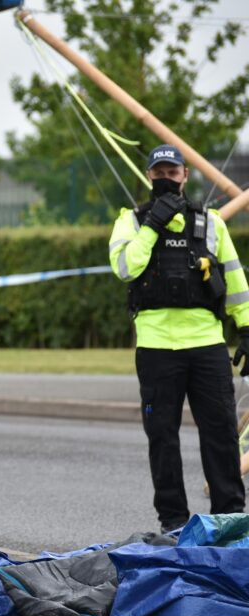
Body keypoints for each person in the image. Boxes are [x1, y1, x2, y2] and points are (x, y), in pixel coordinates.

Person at [109, 144, 247, 534]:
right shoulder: (131, 222)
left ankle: (229, 518)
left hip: (206, 345)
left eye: (173, 173)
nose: (166, 179)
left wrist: (248, 329)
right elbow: (125, 267)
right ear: (149, 176)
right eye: (160, 173)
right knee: (162, 438)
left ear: (186, 175)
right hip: (156, 348)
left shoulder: (211, 222)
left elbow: (236, 282)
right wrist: (153, 225)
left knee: (221, 432)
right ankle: (173, 522)